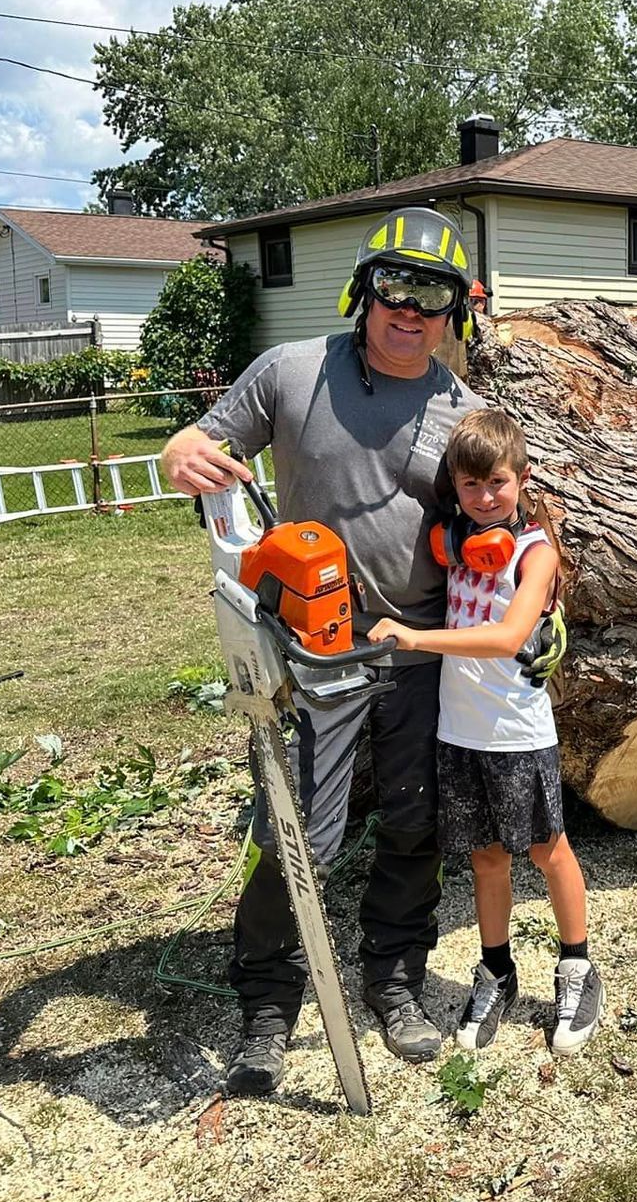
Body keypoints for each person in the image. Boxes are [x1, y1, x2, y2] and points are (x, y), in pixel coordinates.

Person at [159, 205, 481, 1094]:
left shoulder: (465, 412)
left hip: (418, 655)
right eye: (394, 286)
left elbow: (511, 518)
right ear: (363, 289)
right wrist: (179, 454)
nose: (409, 309)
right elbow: (196, 442)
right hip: (309, 658)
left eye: (433, 294)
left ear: (454, 310)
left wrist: (543, 598)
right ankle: (269, 1003)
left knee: (415, 828)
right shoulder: (290, 373)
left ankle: (396, 982)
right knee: (293, 834)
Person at [368, 409, 605, 1056]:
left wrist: (415, 636)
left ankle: (579, 968)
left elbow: (506, 637)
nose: (483, 497)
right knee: (486, 858)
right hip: (460, 733)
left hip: (518, 735)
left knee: (546, 851)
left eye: (496, 482)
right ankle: (496, 969)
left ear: (522, 479)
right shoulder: (458, 543)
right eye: (469, 486)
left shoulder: (534, 553)